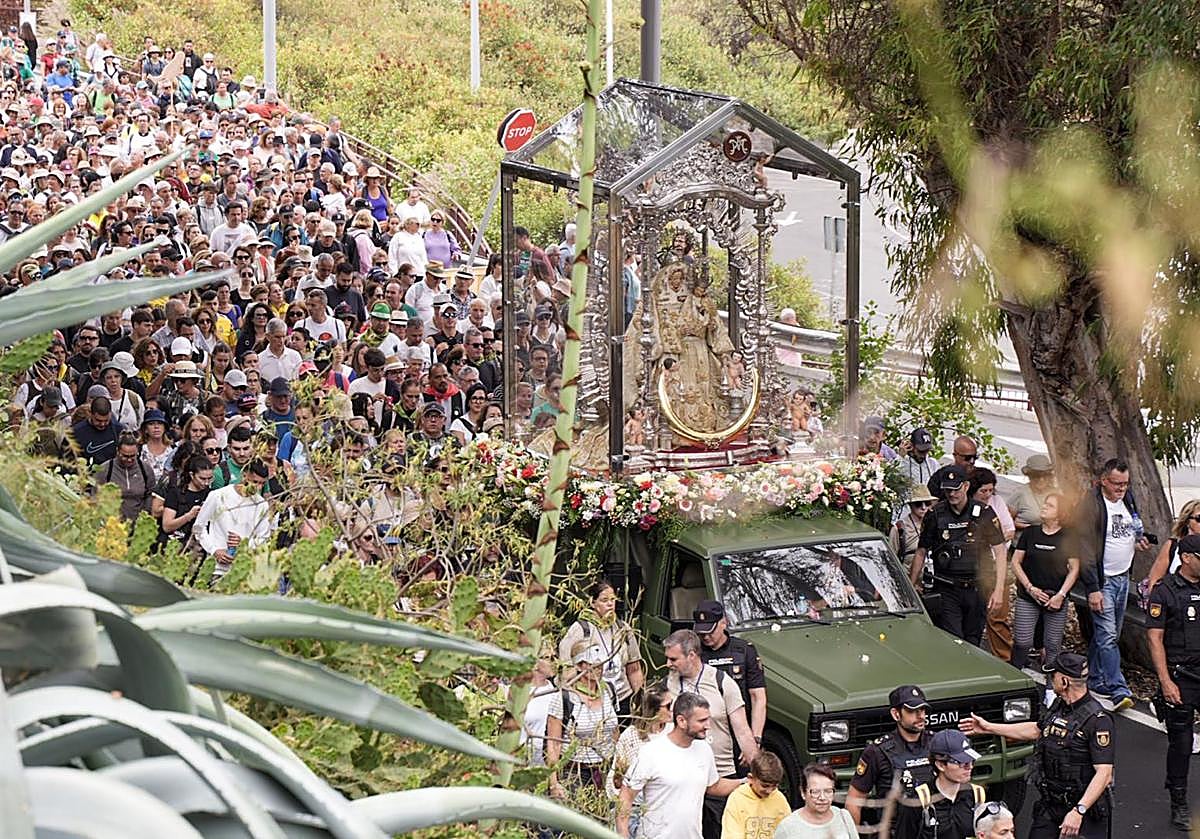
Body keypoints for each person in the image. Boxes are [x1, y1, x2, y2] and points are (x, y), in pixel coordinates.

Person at [961, 653, 1114, 839]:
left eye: (1053, 676)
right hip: (1052, 805)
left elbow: (1104, 774)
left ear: (1064, 681)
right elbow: (1037, 729)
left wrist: (1078, 811)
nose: (1050, 680)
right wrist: (989, 728)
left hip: (1084, 812)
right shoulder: (1060, 705)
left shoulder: (1098, 720)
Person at [662, 629, 758, 839]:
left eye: (673, 659)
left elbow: (742, 730)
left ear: (692, 655)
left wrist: (758, 770)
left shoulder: (722, 682)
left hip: (720, 775)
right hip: (682, 777)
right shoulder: (669, 683)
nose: (668, 664)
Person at [616, 692, 745, 839]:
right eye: (702, 721)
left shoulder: (704, 750)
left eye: (708, 719)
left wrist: (744, 782)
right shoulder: (651, 752)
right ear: (682, 721)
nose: (708, 726)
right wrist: (623, 835)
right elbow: (626, 796)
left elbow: (713, 786)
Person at [1077, 458, 1148, 711]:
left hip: (1122, 576)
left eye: (1125, 484)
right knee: (1107, 637)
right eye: (1117, 484)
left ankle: (1095, 679)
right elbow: (1084, 548)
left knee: (1109, 635)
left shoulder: (1126, 499)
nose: (1121, 489)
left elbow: (1128, 528)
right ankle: (1118, 689)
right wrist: (1093, 588)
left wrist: (1138, 541)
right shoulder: (1092, 505)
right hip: (1103, 579)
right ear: (1103, 480)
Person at [910, 467, 1007, 647]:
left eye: (956, 489)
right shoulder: (935, 514)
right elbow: (921, 551)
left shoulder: (984, 512)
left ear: (966, 486)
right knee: (953, 640)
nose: (952, 494)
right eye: (948, 490)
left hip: (978, 587)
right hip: (947, 587)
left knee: (973, 640)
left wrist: (999, 589)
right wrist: (912, 584)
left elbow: (1000, 550)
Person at [1146, 532, 1200, 830]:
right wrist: (1165, 681)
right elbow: (1155, 639)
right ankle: (1178, 801)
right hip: (1181, 677)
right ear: (1187, 558)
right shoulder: (1164, 591)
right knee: (1180, 743)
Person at [846, 684, 934, 838]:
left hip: (932, 829)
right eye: (912, 711)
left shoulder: (936, 743)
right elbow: (854, 801)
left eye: (923, 710)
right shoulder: (876, 751)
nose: (920, 716)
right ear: (896, 714)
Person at [692, 599, 766, 766]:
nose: (706, 637)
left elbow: (758, 697)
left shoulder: (744, 650)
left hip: (740, 728)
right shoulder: (695, 654)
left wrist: (754, 740)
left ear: (723, 623)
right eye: (701, 633)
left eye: (710, 631)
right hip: (708, 730)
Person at [1010, 493, 1079, 672]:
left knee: (1052, 644)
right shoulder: (1030, 532)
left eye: (1050, 506)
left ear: (1060, 513)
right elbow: (1016, 562)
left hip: (1055, 597)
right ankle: (1015, 675)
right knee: (1022, 641)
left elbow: (1074, 569)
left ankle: (1051, 688)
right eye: (1045, 504)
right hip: (1029, 595)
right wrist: (1029, 588)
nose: (1044, 507)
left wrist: (1061, 595)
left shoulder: (1068, 537)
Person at [558, 579, 644, 718]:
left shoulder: (623, 629)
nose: (610, 604)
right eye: (604, 600)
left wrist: (639, 700)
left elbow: (634, 669)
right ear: (593, 602)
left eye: (613, 599)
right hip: (592, 699)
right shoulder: (580, 629)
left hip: (623, 698)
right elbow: (566, 671)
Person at [545, 642, 618, 798]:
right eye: (591, 664)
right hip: (574, 773)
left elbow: (614, 732)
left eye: (600, 664)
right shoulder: (564, 698)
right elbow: (553, 743)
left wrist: (618, 767)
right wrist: (554, 783)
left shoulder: (609, 691)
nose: (597, 668)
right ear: (579, 665)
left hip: (605, 769)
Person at [608, 685, 675, 835]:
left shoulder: (673, 732)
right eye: (668, 706)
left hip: (664, 808)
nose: (672, 709)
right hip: (634, 808)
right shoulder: (631, 736)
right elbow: (616, 779)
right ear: (654, 709)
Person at [194, 458, 273, 585]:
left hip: (245, 569)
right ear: (244, 475)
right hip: (217, 569)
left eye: (262, 484)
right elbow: (198, 528)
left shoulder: (262, 504)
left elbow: (263, 538)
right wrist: (214, 550)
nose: (258, 487)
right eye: (255, 482)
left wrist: (244, 543)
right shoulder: (218, 495)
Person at [911, 730, 985, 839]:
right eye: (961, 762)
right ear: (941, 765)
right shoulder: (918, 800)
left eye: (971, 761)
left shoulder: (977, 795)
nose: (970, 767)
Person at [774, 762, 858, 838]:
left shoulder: (843, 817)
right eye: (815, 792)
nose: (822, 797)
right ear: (803, 793)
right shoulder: (787, 827)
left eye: (828, 791)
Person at [720, 751, 790, 839]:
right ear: (750, 778)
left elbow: (788, 831)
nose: (769, 791)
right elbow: (732, 835)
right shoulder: (737, 799)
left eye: (774, 786)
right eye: (765, 786)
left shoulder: (780, 800)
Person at [92, 431, 153, 521]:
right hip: (111, 523)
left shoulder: (145, 469)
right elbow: (95, 496)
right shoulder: (105, 470)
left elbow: (150, 494)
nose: (129, 460)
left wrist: (145, 513)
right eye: (125, 456)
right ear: (117, 451)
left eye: (132, 456)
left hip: (138, 523)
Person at [1146, 498, 1200, 591]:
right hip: (1175, 601)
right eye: (1199, 519)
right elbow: (1154, 580)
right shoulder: (1172, 545)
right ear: (1187, 521)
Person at [890, 488, 937, 578]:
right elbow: (891, 559)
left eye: (927, 503)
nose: (923, 507)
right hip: (907, 580)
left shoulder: (935, 524)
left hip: (933, 580)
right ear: (911, 505)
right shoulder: (899, 529)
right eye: (918, 504)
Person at [1008, 454, 1058, 531]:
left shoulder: (1056, 493)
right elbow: (1006, 522)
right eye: (1037, 475)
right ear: (1029, 476)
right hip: (1026, 539)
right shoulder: (1020, 493)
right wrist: (1027, 527)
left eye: (1045, 475)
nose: (1041, 479)